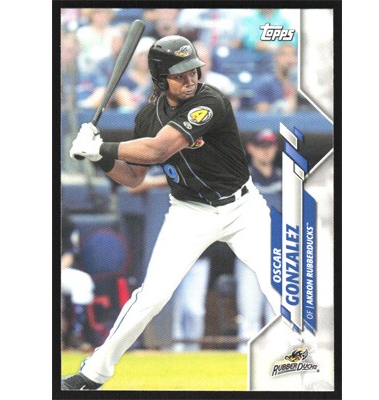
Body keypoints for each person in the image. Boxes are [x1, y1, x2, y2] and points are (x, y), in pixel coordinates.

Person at [62, 35, 279, 390]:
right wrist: (98, 157)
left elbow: (159, 151)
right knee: (151, 297)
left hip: (243, 208)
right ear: (161, 79)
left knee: (284, 285)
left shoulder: (210, 100)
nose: (190, 78)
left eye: (193, 70)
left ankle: (316, 367)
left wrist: (102, 145)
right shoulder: (148, 117)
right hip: (189, 213)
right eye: (180, 74)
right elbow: (133, 177)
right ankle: (92, 374)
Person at [235, 129, 282, 352]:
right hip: (249, 253)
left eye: (269, 145)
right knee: (249, 314)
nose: (266, 150)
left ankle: (277, 359)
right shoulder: (241, 177)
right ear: (251, 148)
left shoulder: (286, 178)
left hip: (280, 253)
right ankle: (245, 359)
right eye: (261, 145)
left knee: (278, 312)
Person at [61, 212, 95, 351]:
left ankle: (76, 334)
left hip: (60, 269)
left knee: (82, 280)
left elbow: (69, 253)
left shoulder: (63, 220)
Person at [251, 43, 298, 114]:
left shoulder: (303, 85)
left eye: (293, 55)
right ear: (276, 58)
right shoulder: (265, 84)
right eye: (285, 55)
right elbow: (263, 116)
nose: (290, 60)